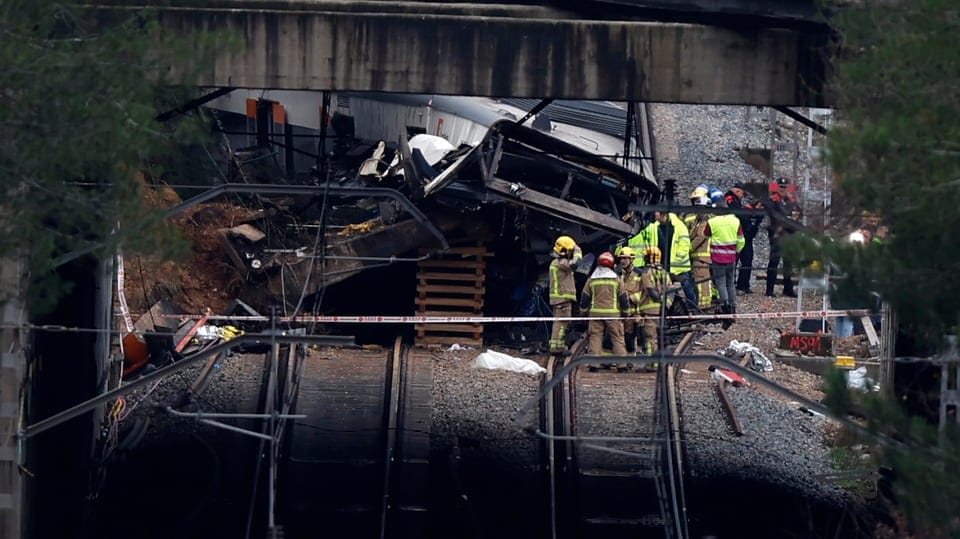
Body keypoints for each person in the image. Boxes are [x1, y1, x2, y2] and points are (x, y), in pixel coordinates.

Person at [628, 210, 693, 307]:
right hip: (663, 264)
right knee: (667, 287)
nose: (655, 215)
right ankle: (670, 309)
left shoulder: (679, 226)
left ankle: (692, 308)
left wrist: (677, 259)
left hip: (679, 266)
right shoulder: (654, 226)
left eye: (657, 213)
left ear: (664, 215)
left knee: (687, 288)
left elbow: (685, 244)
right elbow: (643, 234)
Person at [580, 251, 629, 364]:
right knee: (617, 338)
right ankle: (622, 364)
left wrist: (583, 313)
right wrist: (626, 313)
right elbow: (623, 298)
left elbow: (585, 298)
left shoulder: (592, 279)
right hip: (613, 314)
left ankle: (594, 364)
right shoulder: (616, 279)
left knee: (595, 337)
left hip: (595, 314)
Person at [630, 246, 671, 367]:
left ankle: (651, 364)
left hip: (649, 309)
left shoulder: (646, 273)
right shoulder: (664, 272)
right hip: (661, 310)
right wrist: (665, 305)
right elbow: (670, 290)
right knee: (659, 337)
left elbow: (650, 291)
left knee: (650, 338)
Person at [705, 199, 745, 314]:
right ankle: (733, 306)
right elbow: (741, 240)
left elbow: (705, 235)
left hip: (717, 258)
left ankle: (725, 306)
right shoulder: (735, 221)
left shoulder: (712, 222)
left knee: (720, 282)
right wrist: (736, 251)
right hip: (731, 257)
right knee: (730, 282)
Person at [725, 182, 764, 293]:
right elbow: (738, 214)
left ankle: (743, 285)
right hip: (734, 235)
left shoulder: (735, 201)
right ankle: (732, 285)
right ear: (737, 191)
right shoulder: (730, 199)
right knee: (735, 261)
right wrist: (751, 215)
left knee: (747, 260)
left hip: (742, 235)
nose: (743, 196)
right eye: (742, 194)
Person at [548, 235, 582, 354]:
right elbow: (575, 265)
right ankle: (557, 348)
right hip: (562, 298)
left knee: (562, 322)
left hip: (560, 298)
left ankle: (557, 346)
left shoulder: (556, 262)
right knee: (561, 323)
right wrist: (577, 251)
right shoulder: (560, 262)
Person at [765, 178, 798, 297]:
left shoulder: (791, 200)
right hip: (777, 234)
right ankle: (769, 290)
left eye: (785, 187)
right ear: (777, 187)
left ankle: (788, 288)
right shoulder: (773, 200)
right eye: (781, 187)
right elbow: (776, 217)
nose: (783, 189)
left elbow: (798, 214)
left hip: (789, 234)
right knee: (774, 261)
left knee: (788, 262)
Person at [684, 187, 713, 309]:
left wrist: (688, 248)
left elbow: (700, 237)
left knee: (702, 283)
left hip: (701, 256)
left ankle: (703, 307)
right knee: (699, 282)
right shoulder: (698, 218)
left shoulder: (705, 219)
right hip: (699, 257)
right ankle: (702, 305)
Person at [616, 246, 643, 353]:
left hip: (633, 313)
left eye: (625, 258)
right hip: (619, 312)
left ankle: (630, 362)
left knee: (630, 338)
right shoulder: (617, 274)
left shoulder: (640, 274)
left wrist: (632, 298)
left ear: (631, 259)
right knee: (616, 337)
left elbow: (645, 293)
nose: (623, 261)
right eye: (621, 258)